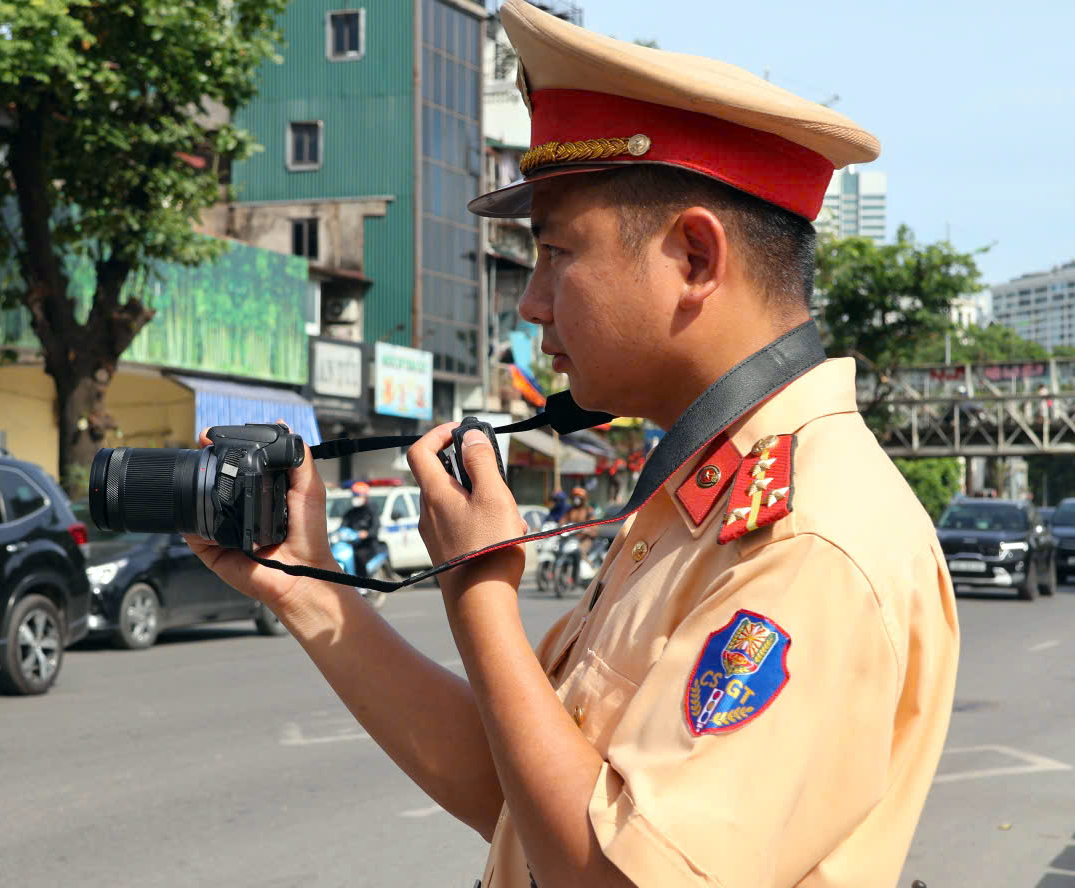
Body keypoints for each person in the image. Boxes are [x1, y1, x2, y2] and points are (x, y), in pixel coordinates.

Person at [186, 3, 959, 886]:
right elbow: (519, 792)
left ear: (695, 259)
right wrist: (308, 588)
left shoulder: (809, 536)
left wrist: (480, 589)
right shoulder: (704, 497)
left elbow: (611, 876)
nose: (531, 303)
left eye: (556, 253)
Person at [339, 481, 384, 578]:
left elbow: (376, 527)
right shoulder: (351, 512)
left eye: (358, 496)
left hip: (368, 545)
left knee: (359, 556)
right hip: (352, 544)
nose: (356, 498)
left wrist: (366, 533)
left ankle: (364, 581)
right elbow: (343, 526)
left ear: (365, 497)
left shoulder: (371, 511)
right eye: (355, 496)